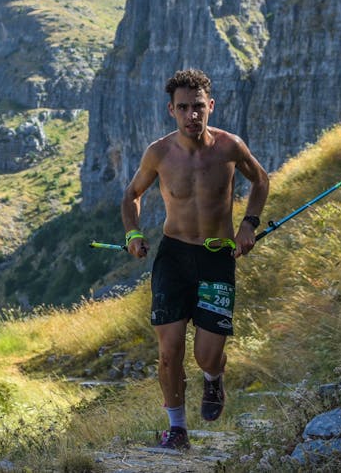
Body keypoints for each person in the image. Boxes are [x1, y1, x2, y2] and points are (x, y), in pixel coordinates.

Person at [121, 68, 269, 451]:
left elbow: (261, 180)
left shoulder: (230, 147)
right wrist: (134, 234)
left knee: (206, 356)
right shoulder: (159, 153)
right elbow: (130, 196)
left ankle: (213, 378)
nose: (192, 115)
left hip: (217, 258)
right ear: (171, 110)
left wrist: (249, 224)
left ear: (211, 106)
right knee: (169, 353)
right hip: (173, 257)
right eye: (183, 107)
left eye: (198, 107)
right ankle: (177, 430)